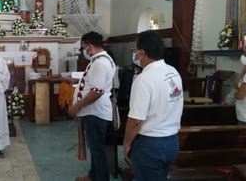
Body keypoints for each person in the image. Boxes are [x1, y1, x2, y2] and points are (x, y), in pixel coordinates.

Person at [123, 30, 183, 180]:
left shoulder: (144, 79)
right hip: (172, 141)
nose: (134, 54)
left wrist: (126, 143)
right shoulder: (173, 71)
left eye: (135, 50)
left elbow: (136, 120)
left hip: (150, 145)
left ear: (142, 53)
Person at [66, 32, 115, 181]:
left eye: (83, 47)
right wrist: (76, 81)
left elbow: (96, 92)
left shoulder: (100, 63)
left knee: (97, 150)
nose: (83, 51)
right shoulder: (100, 60)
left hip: (96, 113)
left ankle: (101, 178)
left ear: (90, 46)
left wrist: (77, 107)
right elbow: (92, 81)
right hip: (94, 113)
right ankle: (93, 176)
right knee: (95, 149)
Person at [235, 45, 246, 125]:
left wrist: (235, 94)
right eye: (243, 53)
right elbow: (236, 85)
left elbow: (239, 95)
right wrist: (243, 71)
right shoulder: (245, 72)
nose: (243, 56)